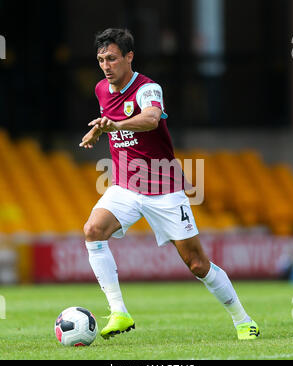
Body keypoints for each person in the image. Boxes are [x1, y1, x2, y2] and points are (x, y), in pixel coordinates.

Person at [79, 28, 259, 340]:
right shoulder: (101, 90)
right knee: (93, 230)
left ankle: (243, 320)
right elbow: (109, 124)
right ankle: (119, 312)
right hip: (124, 184)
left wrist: (115, 124)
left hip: (163, 188)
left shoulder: (148, 88)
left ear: (129, 57)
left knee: (197, 264)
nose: (106, 65)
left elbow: (150, 119)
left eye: (112, 58)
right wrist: (99, 131)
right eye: (100, 60)